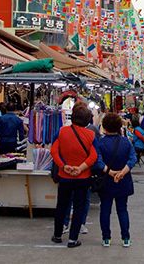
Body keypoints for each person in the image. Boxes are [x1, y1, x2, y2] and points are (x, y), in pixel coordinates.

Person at [50, 103, 97, 248]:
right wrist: (81, 168)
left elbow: (54, 151)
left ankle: (57, 235)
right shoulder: (91, 135)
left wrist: (64, 166)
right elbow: (94, 156)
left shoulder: (62, 132)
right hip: (82, 178)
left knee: (62, 206)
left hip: (64, 176)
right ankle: (72, 239)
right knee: (79, 208)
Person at [96, 113, 136, 248]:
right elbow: (132, 159)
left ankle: (106, 238)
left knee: (105, 209)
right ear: (120, 126)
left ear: (104, 127)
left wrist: (111, 173)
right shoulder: (126, 142)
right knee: (122, 209)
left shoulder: (100, 142)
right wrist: (122, 173)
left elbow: (98, 161)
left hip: (106, 180)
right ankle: (126, 238)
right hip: (123, 181)